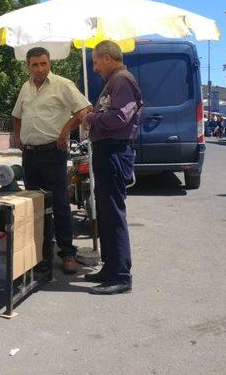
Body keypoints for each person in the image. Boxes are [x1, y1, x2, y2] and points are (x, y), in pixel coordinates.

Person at [12, 47, 92, 274]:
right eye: (34, 64)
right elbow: (16, 115)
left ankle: (67, 253)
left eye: (43, 63)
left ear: (50, 64)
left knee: (59, 204)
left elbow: (85, 109)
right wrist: (17, 136)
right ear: (27, 66)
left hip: (52, 152)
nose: (39, 68)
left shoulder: (62, 84)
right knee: (34, 206)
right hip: (30, 155)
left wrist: (66, 129)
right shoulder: (25, 87)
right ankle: (40, 253)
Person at [80, 40, 142, 295]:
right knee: (105, 211)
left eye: (95, 61)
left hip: (115, 151)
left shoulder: (122, 80)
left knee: (113, 212)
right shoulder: (114, 82)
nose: (94, 68)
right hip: (108, 151)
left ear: (107, 58)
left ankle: (121, 276)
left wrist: (91, 117)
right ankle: (111, 267)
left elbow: (119, 117)